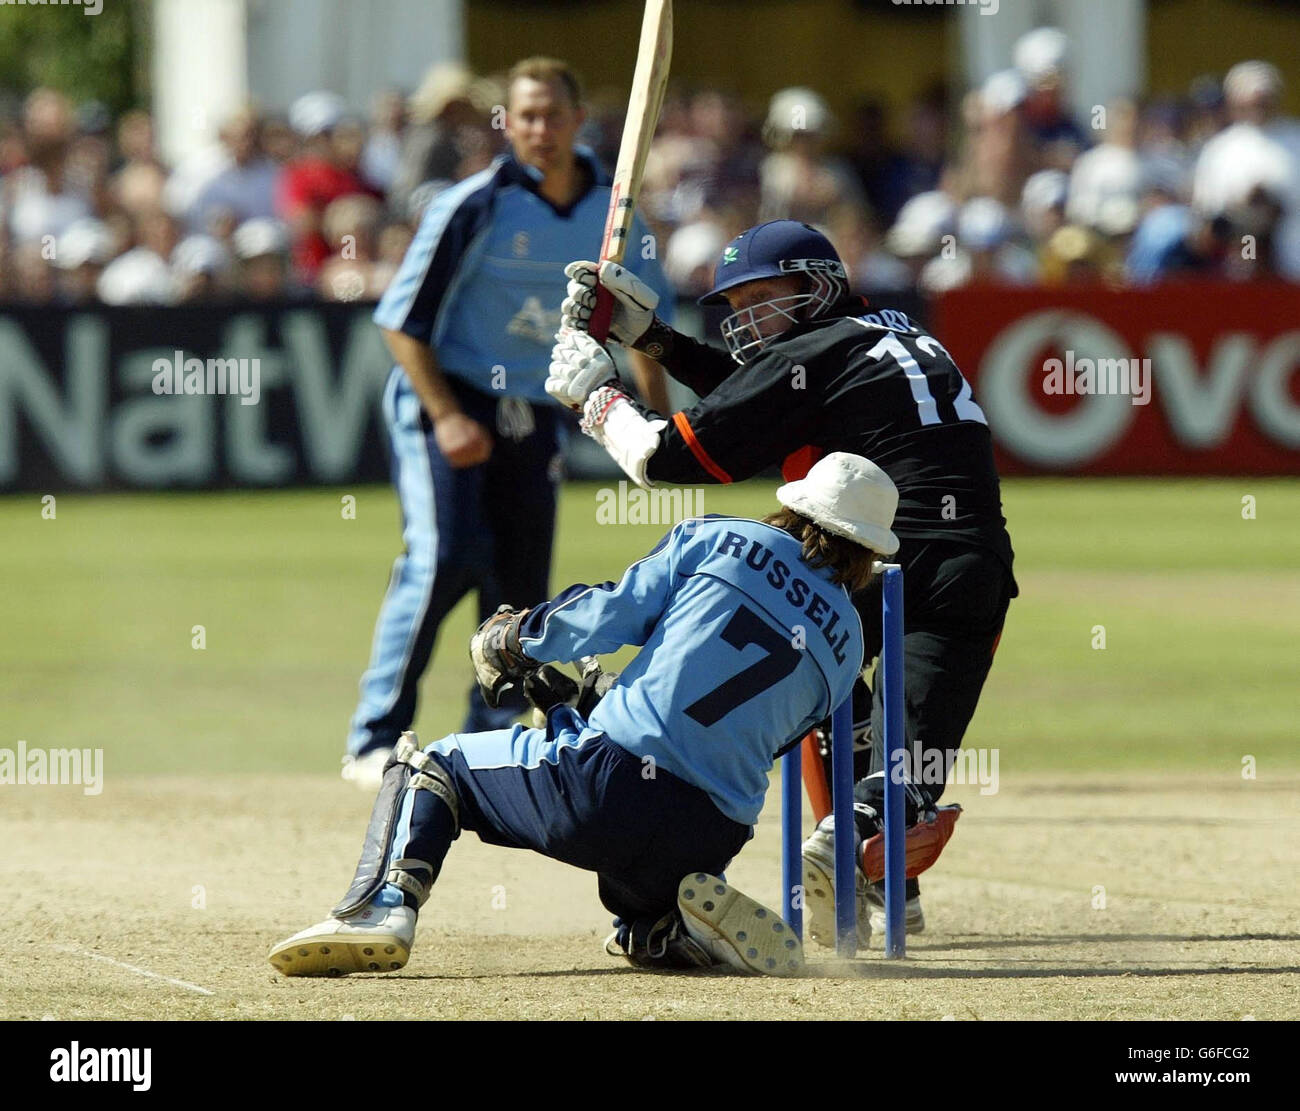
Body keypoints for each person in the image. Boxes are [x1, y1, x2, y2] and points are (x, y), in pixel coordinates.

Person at [548, 219, 1017, 944]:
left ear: (819, 286)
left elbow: (668, 458)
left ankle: (830, 849)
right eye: (736, 306)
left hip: (856, 562)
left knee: (804, 678)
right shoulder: (886, 332)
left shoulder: (820, 349)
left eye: (763, 297)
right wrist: (653, 340)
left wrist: (596, 397)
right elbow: (773, 391)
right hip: (971, 562)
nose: (744, 319)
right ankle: (878, 855)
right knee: (911, 763)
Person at [269, 453, 896, 977]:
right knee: (631, 895)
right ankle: (660, 927)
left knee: (432, 766)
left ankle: (380, 910)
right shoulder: (847, 647)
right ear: (867, 555)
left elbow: (608, 616)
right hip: (712, 829)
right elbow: (746, 734)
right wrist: (588, 708)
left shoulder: (720, 538)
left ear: (793, 505)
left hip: (605, 787)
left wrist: (518, 638)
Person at [340, 57, 674, 790]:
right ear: (507, 123)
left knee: (521, 583)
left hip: (538, 410)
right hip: (449, 400)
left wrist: (664, 430)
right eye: (523, 116)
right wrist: (447, 416)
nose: (538, 130)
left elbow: (649, 328)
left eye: (552, 114)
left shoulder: (616, 217)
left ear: (576, 119)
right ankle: (374, 735)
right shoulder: (474, 202)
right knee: (443, 558)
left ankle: (485, 738)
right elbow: (402, 323)